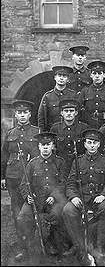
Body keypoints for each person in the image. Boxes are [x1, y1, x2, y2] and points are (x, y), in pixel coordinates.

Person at [62, 129, 105, 261]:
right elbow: (70, 184)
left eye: (95, 143)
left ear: (99, 145)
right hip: (81, 198)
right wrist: (73, 197)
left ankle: (100, 246)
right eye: (89, 142)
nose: (92, 145)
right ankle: (78, 245)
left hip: (98, 198)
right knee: (68, 210)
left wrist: (103, 195)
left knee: (104, 208)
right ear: (85, 144)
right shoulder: (78, 161)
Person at [15, 132, 68, 260]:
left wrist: (54, 196)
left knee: (56, 215)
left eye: (48, 144)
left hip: (54, 200)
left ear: (52, 146)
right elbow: (24, 184)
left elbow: (63, 183)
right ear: (38, 147)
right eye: (42, 145)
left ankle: (53, 245)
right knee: (23, 217)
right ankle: (25, 248)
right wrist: (27, 196)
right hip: (35, 200)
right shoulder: (32, 164)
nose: (45, 147)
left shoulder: (60, 162)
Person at [1, 100, 40, 249]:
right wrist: (3, 177)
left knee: (32, 207)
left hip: (30, 176)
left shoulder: (36, 132)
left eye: (25, 113)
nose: (22, 115)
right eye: (19, 113)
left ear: (30, 114)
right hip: (13, 176)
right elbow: (4, 156)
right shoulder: (11, 133)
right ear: (15, 115)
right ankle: (22, 243)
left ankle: (35, 240)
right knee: (16, 209)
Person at [49, 99, 90, 167]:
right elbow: (52, 148)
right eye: (66, 111)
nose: (69, 113)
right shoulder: (55, 128)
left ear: (76, 113)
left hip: (79, 164)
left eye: (71, 111)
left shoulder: (84, 128)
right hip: (61, 164)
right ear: (61, 113)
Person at [37, 66, 78, 132]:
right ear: (55, 77)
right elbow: (41, 117)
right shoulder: (48, 96)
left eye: (64, 76)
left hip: (70, 132)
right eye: (59, 75)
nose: (61, 78)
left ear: (68, 79)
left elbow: (78, 115)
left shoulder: (73, 95)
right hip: (52, 133)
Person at [79, 60, 105, 129]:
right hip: (88, 124)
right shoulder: (85, 91)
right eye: (94, 73)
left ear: (104, 75)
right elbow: (79, 109)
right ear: (91, 75)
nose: (97, 76)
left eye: (99, 73)